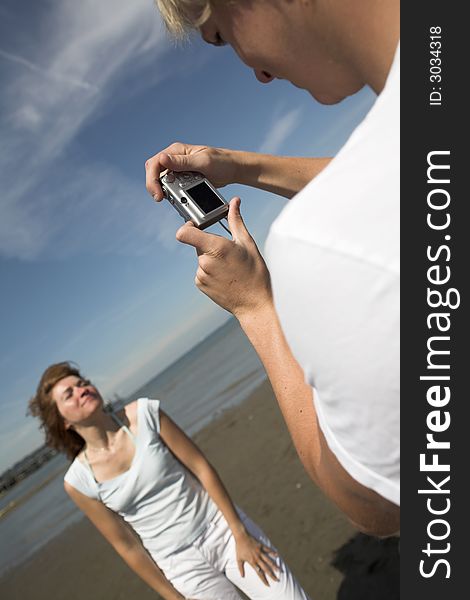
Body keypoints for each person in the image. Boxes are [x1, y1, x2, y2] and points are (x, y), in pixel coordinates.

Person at [146, 0, 400, 537]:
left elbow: (374, 503)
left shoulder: (318, 243)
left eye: (222, 36)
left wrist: (256, 308)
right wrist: (239, 166)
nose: (257, 72)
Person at [29, 362, 310, 600]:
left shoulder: (144, 414)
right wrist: (173, 596)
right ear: (62, 420)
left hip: (222, 529)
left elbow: (201, 467)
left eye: (83, 383)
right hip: (182, 567)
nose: (82, 390)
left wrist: (239, 533)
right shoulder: (78, 482)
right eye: (70, 393)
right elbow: (126, 545)